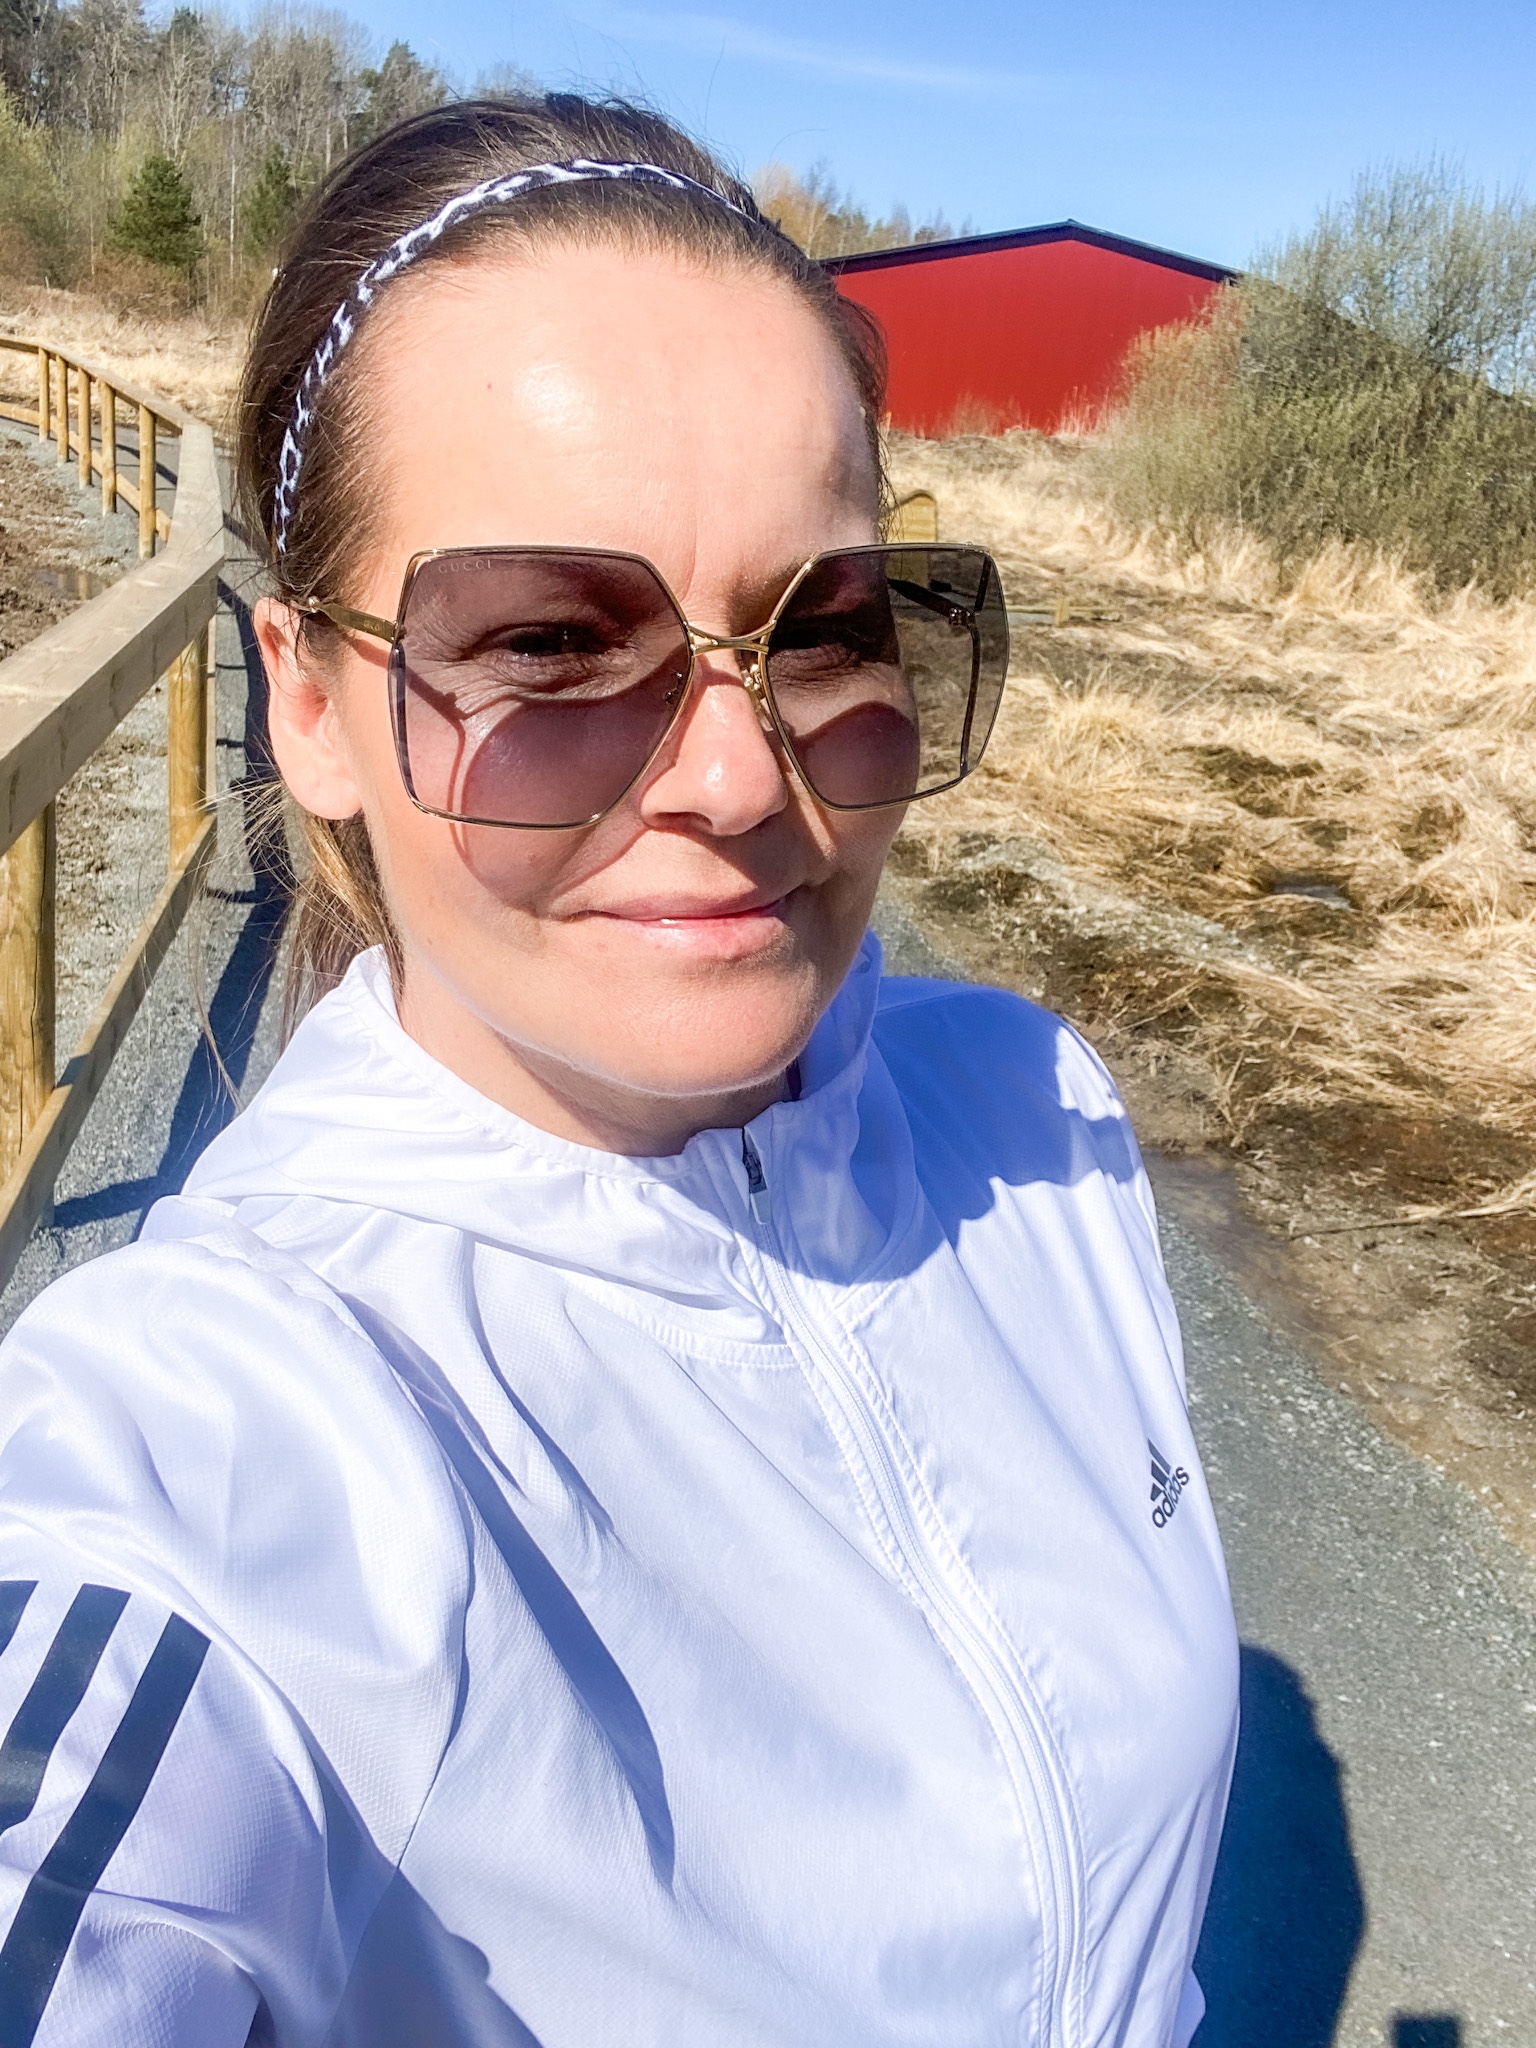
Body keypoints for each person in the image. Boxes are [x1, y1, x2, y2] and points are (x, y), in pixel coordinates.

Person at [0, 94, 1238, 2048]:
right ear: (308, 700)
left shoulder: (1037, 1113)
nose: (740, 778)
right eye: (554, 644)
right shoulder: (225, 1427)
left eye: (826, 630)